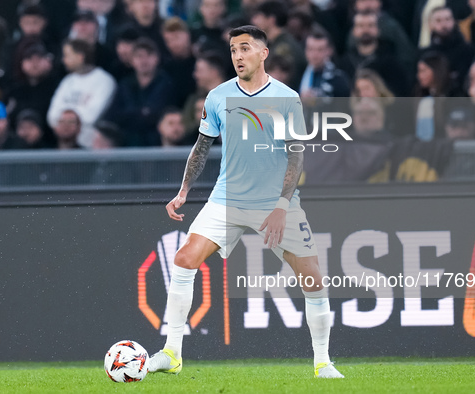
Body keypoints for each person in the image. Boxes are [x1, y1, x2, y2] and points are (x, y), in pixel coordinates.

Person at [147, 25, 343, 379]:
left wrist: (283, 206)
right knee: (184, 258)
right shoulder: (218, 96)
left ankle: (323, 362)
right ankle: (172, 353)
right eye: (234, 49)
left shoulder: (286, 98)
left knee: (313, 279)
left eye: (245, 48)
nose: (238, 56)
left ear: (263, 53)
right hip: (228, 198)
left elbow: (296, 155)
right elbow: (202, 147)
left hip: (275, 202)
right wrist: (184, 191)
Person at [47, 39, 116, 148]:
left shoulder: (104, 80)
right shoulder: (68, 81)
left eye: (67, 55)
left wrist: (65, 120)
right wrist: (70, 122)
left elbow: (90, 117)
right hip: (64, 147)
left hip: (90, 148)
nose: (64, 60)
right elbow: (52, 116)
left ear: (80, 57)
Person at [300, 27, 350, 98]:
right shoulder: (298, 75)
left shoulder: (339, 80)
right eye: (310, 49)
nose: (314, 55)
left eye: (320, 50)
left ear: (329, 51)